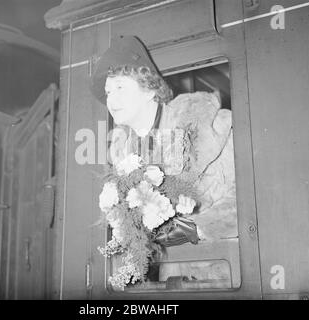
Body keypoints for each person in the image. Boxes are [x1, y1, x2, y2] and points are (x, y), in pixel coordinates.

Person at [91, 35, 237, 245]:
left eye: (120, 87)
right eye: (108, 92)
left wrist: (196, 228)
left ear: (149, 89)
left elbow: (247, 197)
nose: (111, 100)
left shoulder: (212, 125)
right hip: (168, 272)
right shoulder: (121, 158)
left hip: (223, 264)